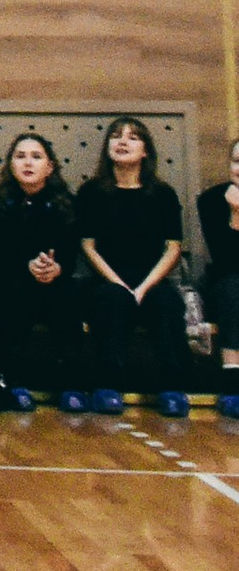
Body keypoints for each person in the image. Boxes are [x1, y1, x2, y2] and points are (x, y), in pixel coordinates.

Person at [75, 118, 192, 418]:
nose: (123, 142)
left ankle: (172, 389)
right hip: (107, 279)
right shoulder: (91, 192)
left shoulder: (162, 194)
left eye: (133, 137)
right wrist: (119, 285)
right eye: (116, 136)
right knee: (111, 300)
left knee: (167, 303)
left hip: (151, 279)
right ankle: (108, 387)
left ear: (145, 151)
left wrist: (142, 288)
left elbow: (173, 248)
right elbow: (88, 246)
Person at [0, 130, 79, 413]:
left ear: (50, 166)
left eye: (36, 156)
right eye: (20, 156)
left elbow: (70, 250)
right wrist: (27, 265)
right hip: (8, 274)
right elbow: (0, 248)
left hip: (51, 277)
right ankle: (11, 381)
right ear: (11, 164)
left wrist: (56, 267)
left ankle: (70, 383)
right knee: (14, 289)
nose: (28, 162)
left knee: (69, 293)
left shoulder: (66, 202)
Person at [197, 134, 239, 424]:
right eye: (237, 161)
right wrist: (235, 214)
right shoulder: (212, 200)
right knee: (234, 286)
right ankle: (233, 382)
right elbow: (226, 260)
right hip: (225, 284)